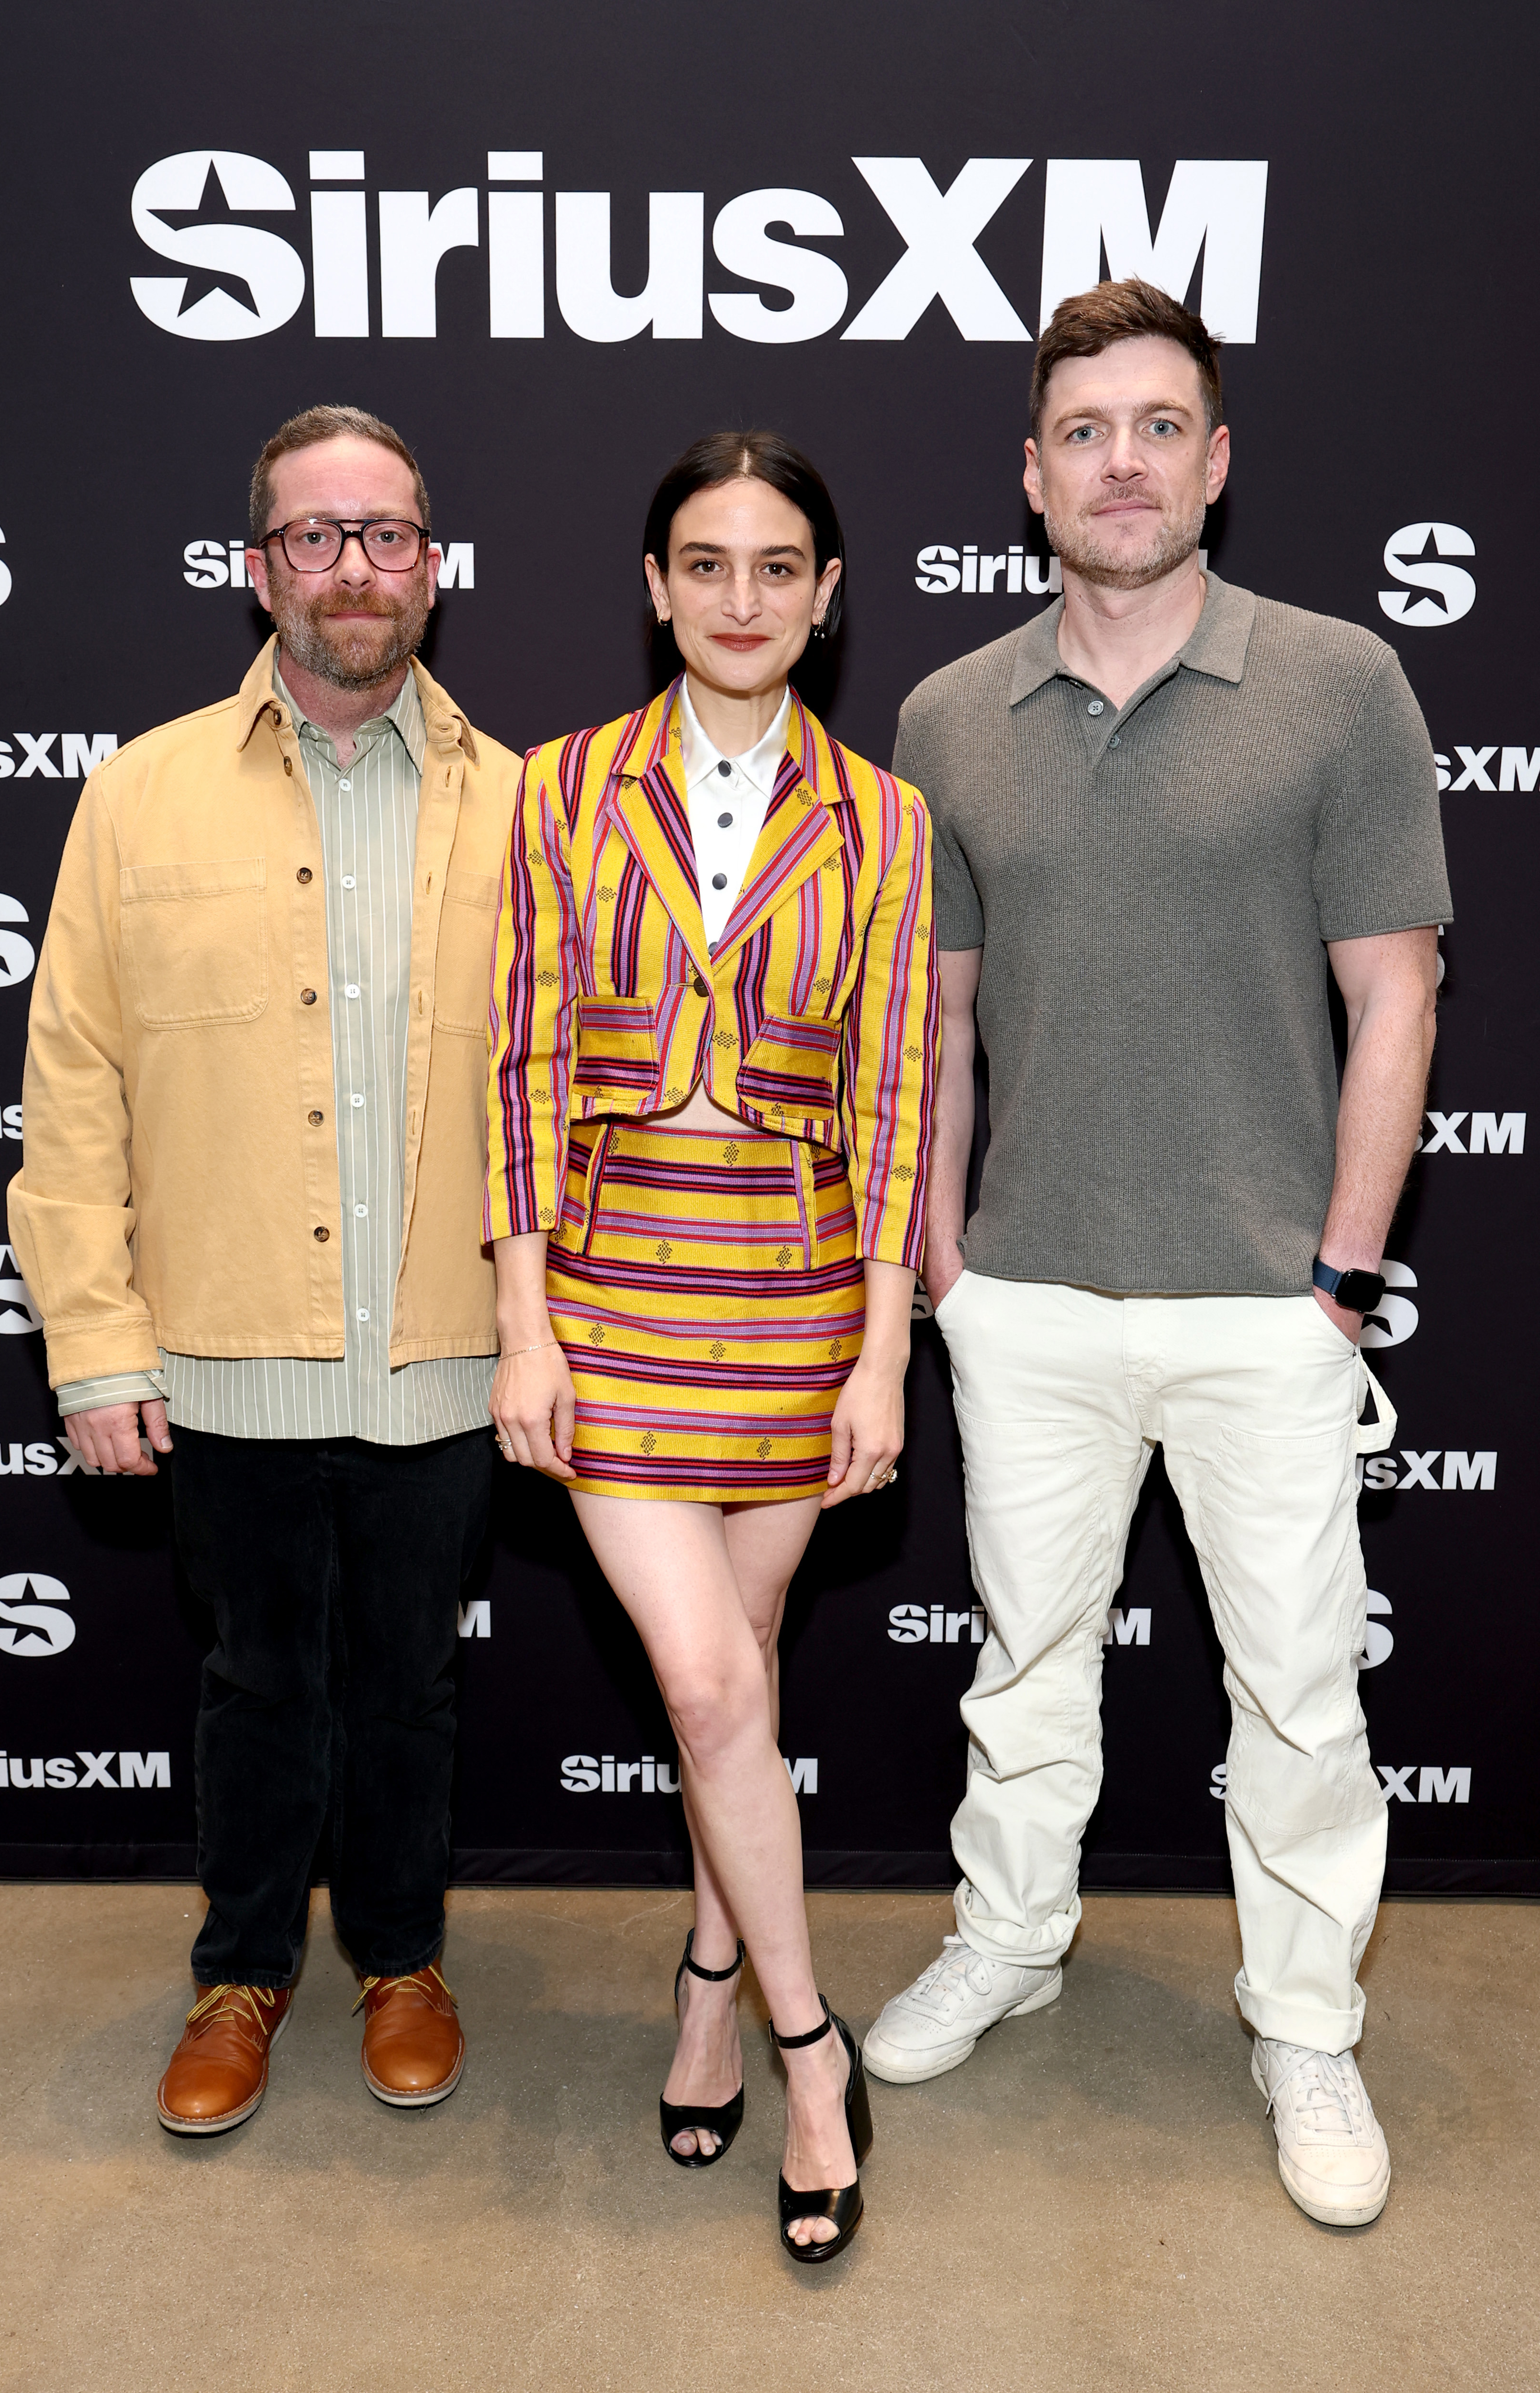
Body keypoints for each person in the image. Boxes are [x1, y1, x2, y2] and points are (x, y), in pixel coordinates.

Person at [864, 280, 1450, 2231]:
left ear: (1218, 461)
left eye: (1161, 425)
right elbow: (939, 1022)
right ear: (1033, 477)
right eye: (1086, 431)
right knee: (1025, 1666)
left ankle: (1305, 2020)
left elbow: (1397, 994)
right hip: (1025, 1301)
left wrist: (1338, 1283)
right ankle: (1010, 1936)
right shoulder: (949, 715)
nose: (1124, 462)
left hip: (1265, 1308)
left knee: (1298, 1693)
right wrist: (947, 1267)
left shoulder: (1342, 684)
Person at [8, 404, 520, 2135]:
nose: (353, 568)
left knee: (411, 1684)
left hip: (445, 1352)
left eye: (385, 535)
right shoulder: (138, 793)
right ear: (259, 569)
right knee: (256, 1682)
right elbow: (75, 1080)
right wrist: (94, 1344)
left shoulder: (528, 807)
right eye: (317, 535)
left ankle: (401, 1957)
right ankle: (239, 1973)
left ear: (431, 569)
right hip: (226, 1352)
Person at [485, 430, 937, 2258]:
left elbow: (898, 1102)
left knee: (739, 1673)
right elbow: (522, 1062)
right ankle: (810, 2051)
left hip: (798, 1301)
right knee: (703, 1686)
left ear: (826, 599)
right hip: (611, 1300)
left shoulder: (888, 820)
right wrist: (523, 1321)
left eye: (777, 567)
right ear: (655, 587)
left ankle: (702, 1979)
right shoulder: (560, 790)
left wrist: (884, 1356)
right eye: (704, 563)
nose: (740, 598)